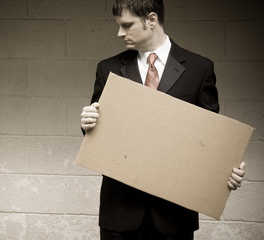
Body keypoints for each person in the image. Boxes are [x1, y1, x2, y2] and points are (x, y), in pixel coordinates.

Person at [80, 0, 246, 239]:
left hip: (174, 215)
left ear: (151, 20)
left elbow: (211, 143)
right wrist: (88, 124)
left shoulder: (200, 69)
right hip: (120, 212)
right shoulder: (108, 69)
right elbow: (96, 137)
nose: (119, 33)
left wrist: (227, 171)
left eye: (126, 25)